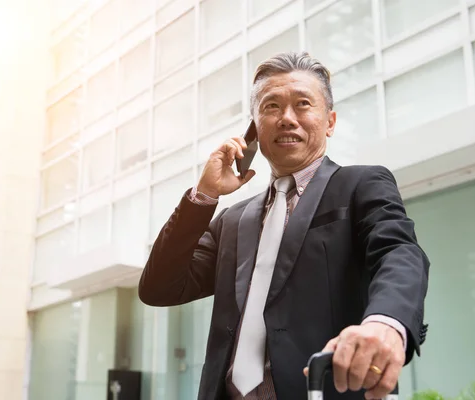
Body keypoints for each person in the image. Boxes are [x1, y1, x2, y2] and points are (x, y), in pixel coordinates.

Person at [139, 51, 430, 400]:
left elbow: (398, 252)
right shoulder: (231, 221)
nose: (286, 118)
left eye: (303, 104)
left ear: (330, 122)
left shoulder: (359, 186)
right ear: (254, 129)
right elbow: (159, 287)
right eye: (271, 106)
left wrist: (386, 321)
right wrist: (204, 195)